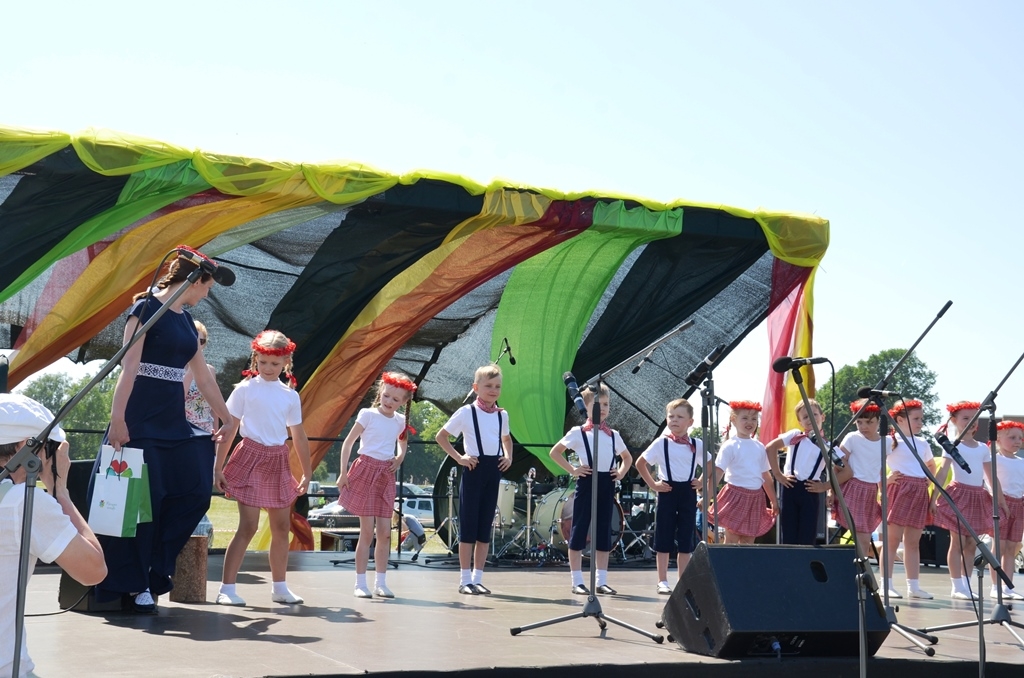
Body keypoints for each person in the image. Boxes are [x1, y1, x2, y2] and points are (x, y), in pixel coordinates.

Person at [95, 246, 232, 613]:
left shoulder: (186, 321)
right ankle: (138, 583)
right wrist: (119, 420)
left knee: (195, 492)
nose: (207, 294)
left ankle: (156, 570)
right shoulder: (145, 311)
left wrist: (228, 417)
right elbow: (128, 369)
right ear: (194, 279)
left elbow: (202, 376)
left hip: (173, 423)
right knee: (145, 506)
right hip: (140, 418)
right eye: (207, 286)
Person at [1, 394, 106, 677]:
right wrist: (61, 492)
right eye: (49, 446)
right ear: (26, 446)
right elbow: (93, 570)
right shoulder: (24, 502)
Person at [215, 330, 312, 607]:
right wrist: (217, 467)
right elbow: (230, 428)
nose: (269, 369)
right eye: (263, 362)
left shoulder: (289, 396)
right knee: (247, 526)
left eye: (275, 363)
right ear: (255, 359)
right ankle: (227, 588)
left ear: (286, 362)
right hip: (250, 456)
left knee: (281, 527)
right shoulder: (244, 390)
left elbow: (299, 434)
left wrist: (306, 471)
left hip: (278, 459)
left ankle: (280, 588)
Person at [436, 364, 513, 595]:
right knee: (468, 526)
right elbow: (442, 436)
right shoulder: (466, 412)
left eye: (497, 386)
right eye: (488, 386)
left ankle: (478, 578)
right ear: (476, 387)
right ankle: (464, 580)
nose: (493, 390)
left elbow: (506, 439)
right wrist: (459, 458)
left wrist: (508, 456)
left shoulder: (502, 414)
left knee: (484, 526)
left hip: (494, 470)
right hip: (473, 468)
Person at [549, 382, 632, 595]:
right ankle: (577, 580)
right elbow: (555, 452)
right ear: (586, 407)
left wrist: (620, 473)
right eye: (597, 404)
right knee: (579, 530)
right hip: (587, 482)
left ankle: (601, 580)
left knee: (603, 531)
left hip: (607, 484)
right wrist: (573, 470)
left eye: (605, 404)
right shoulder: (578, 432)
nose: (602, 408)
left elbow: (627, 458)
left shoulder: (613, 434)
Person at [339, 372, 416, 598]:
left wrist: (399, 457)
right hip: (365, 470)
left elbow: (402, 444)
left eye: (395, 399)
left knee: (384, 533)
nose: (389, 401)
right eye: (386, 396)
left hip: (385, 473)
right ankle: (360, 583)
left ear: (403, 402)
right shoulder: (368, 414)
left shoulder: (401, 421)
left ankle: (380, 582)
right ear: (380, 392)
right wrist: (343, 473)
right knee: (366, 532)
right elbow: (348, 442)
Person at [930, 401, 1003, 600]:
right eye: (965, 418)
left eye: (974, 419)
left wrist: (1001, 500)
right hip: (959, 494)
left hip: (977, 495)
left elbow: (990, 476)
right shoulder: (952, 446)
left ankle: (967, 583)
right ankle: (957, 585)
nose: (971, 423)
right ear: (954, 420)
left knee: (972, 542)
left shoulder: (982, 448)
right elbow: (943, 471)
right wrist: (934, 497)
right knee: (958, 540)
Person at [636, 398, 702, 595]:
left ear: (690, 422)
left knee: (685, 538)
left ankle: (683, 580)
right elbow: (641, 463)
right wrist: (653, 484)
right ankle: (662, 580)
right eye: (671, 416)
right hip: (667, 491)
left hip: (688, 492)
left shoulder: (696, 444)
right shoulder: (661, 443)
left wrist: (701, 481)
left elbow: (710, 465)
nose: (674, 420)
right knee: (663, 535)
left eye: (680, 417)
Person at [880, 399, 936, 600]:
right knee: (892, 539)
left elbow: (931, 465)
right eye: (916, 419)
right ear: (900, 420)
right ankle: (885, 584)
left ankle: (914, 586)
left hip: (919, 490)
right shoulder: (889, 441)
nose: (921, 422)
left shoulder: (922, 443)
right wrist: (885, 480)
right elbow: (876, 463)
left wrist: (926, 484)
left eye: (922, 418)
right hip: (900, 489)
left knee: (913, 542)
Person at [766, 399, 833, 545]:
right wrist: (778, 474)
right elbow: (770, 448)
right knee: (788, 533)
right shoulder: (795, 435)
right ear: (800, 422)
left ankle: (804, 564)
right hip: (790, 486)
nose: (810, 419)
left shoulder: (827, 445)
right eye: (805, 417)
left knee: (807, 534)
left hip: (811, 489)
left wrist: (825, 486)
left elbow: (846, 471)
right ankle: (789, 565)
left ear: (823, 417)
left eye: (814, 414)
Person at [711, 401, 778, 544]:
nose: (750, 422)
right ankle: (727, 566)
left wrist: (773, 500)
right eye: (745, 418)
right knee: (732, 538)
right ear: (734, 420)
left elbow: (766, 476)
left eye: (754, 419)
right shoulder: (730, 445)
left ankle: (744, 566)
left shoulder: (759, 446)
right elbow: (718, 472)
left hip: (755, 497)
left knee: (749, 539)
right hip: (735, 495)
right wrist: (707, 496)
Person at [833, 399, 884, 559]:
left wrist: (883, 492)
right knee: (858, 532)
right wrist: (830, 491)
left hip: (870, 490)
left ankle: (861, 569)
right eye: (859, 422)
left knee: (865, 535)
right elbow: (837, 464)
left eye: (869, 422)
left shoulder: (886, 442)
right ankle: (856, 568)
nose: (863, 427)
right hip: (853, 487)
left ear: (878, 421)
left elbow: (881, 469)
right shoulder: (852, 438)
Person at [992, 420, 1024, 600]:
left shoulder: (1022, 462)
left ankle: (1008, 587)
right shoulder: (995, 459)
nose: (1017, 441)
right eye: (1012, 437)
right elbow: (989, 482)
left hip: (1018, 504)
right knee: (1000, 546)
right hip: (1001, 503)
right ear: (998, 439)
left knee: (1012, 548)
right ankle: (996, 586)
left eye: (1020, 438)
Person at [183, 320, 218, 434]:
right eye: (194, 340)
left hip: (206, 430)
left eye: (201, 341)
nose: (197, 345)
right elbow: (178, 398)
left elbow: (214, 406)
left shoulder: (210, 370)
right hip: (183, 429)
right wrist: (193, 368)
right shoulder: (177, 368)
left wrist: (216, 434)